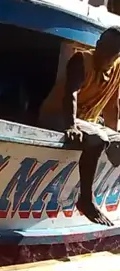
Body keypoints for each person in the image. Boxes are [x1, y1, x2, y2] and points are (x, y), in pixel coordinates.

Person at [38, 27, 120, 227]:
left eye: (110, 49)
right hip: (58, 115)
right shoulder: (81, 60)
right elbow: (70, 94)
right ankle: (86, 199)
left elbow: (112, 107)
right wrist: (70, 125)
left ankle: (107, 196)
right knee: (98, 139)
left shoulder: (117, 69)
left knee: (114, 141)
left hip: (88, 121)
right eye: (102, 45)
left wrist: (115, 137)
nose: (102, 51)